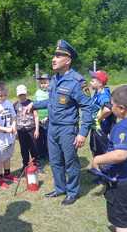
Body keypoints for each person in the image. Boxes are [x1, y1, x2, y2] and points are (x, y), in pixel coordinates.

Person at [26, 39, 94, 205]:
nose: (53, 59)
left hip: (67, 129)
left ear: (68, 60)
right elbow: (52, 102)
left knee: (70, 161)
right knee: (55, 160)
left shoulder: (77, 82)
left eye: (58, 55)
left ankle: (72, 192)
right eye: (54, 55)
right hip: (52, 127)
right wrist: (34, 105)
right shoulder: (55, 79)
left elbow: (88, 108)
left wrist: (82, 133)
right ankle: (60, 188)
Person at [92, 85, 127, 232]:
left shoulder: (122, 127)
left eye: (112, 104)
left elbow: (120, 154)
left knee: (122, 222)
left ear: (122, 108)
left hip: (124, 180)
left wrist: (98, 159)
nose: (110, 107)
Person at [89, 70, 116, 157]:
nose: (90, 82)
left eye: (93, 81)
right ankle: (97, 167)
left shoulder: (103, 95)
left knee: (101, 150)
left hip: (102, 129)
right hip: (97, 127)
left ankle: (102, 169)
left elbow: (108, 109)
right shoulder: (98, 92)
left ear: (100, 83)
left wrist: (97, 119)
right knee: (94, 147)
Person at [14, 84, 40, 170]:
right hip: (21, 130)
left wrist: (37, 129)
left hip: (31, 129)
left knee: (34, 147)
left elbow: (36, 116)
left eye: (23, 94)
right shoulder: (15, 105)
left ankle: (35, 163)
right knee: (23, 148)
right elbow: (14, 118)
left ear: (26, 94)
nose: (22, 96)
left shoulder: (31, 103)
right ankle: (25, 164)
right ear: (17, 95)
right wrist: (15, 130)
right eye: (20, 95)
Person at [34, 74, 50, 161]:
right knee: (40, 138)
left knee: (48, 138)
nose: (43, 85)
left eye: (45, 83)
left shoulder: (51, 93)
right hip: (39, 120)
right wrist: (38, 118)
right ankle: (41, 153)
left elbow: (53, 107)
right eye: (41, 83)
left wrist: (47, 117)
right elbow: (35, 106)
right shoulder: (37, 93)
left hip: (49, 120)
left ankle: (49, 153)